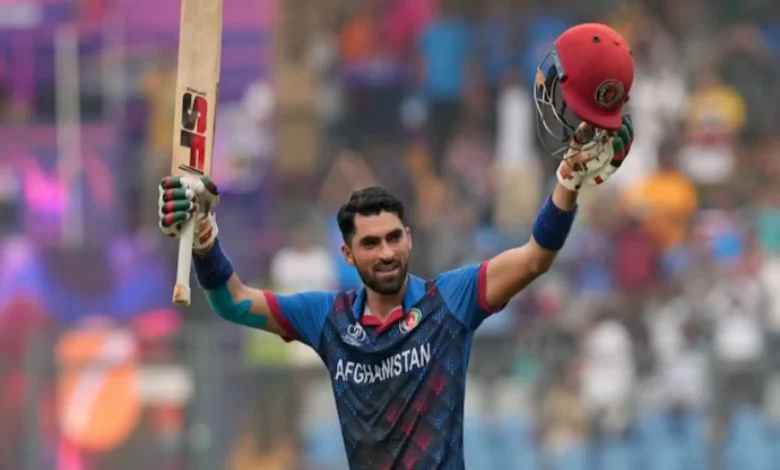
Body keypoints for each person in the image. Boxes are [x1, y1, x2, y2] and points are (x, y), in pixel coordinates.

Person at [157, 22, 635, 470]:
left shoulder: (451, 301)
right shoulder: (328, 319)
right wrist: (204, 238)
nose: (385, 252)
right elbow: (233, 303)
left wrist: (568, 182)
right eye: (370, 243)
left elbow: (536, 257)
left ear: (409, 239)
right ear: (348, 255)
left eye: (392, 238)